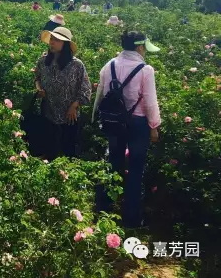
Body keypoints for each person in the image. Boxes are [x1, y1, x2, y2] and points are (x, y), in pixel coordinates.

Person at [93, 31, 161, 228]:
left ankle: (104, 210)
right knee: (135, 169)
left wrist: (95, 117)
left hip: (113, 122)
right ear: (139, 47)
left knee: (112, 163)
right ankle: (131, 218)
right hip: (137, 125)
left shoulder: (110, 65)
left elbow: (101, 94)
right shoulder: (145, 70)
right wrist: (154, 127)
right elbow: (150, 102)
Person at [35, 27, 92, 160]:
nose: (52, 42)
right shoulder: (43, 61)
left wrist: (74, 105)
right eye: (51, 39)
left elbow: (85, 88)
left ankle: (69, 171)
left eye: (56, 40)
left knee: (69, 147)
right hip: (49, 109)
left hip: (69, 113)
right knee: (49, 145)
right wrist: (39, 89)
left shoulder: (76, 65)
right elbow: (37, 78)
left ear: (65, 44)